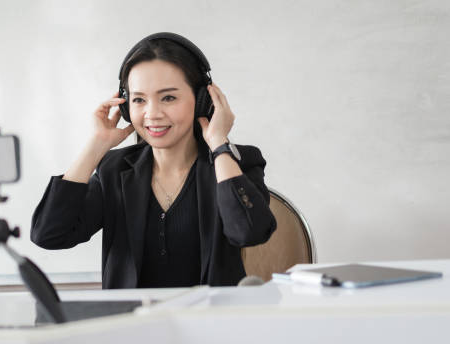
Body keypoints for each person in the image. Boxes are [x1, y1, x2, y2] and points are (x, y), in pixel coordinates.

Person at [31, 32, 276, 289]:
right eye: (138, 100)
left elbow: (249, 232)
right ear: (126, 107)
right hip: (135, 324)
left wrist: (219, 145)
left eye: (168, 97)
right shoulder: (115, 170)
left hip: (211, 323)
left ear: (203, 100)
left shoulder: (238, 162)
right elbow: (49, 235)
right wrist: (97, 146)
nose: (152, 113)